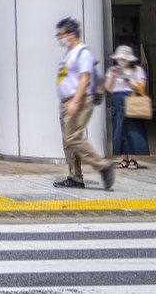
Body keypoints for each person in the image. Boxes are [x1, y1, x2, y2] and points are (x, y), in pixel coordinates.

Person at [54, 18, 115, 191]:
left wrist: (75, 101)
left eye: (61, 34)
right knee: (68, 141)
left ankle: (103, 166)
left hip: (79, 99)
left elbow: (85, 78)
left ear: (71, 34)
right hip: (67, 100)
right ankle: (75, 177)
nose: (59, 37)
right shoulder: (69, 52)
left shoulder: (83, 53)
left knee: (72, 137)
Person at [104, 45, 150, 169]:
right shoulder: (113, 70)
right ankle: (123, 158)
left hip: (133, 100)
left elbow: (141, 86)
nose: (121, 61)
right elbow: (108, 88)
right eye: (119, 59)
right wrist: (113, 77)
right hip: (117, 101)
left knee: (134, 130)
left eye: (124, 59)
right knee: (120, 130)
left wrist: (127, 79)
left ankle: (134, 159)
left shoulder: (138, 70)